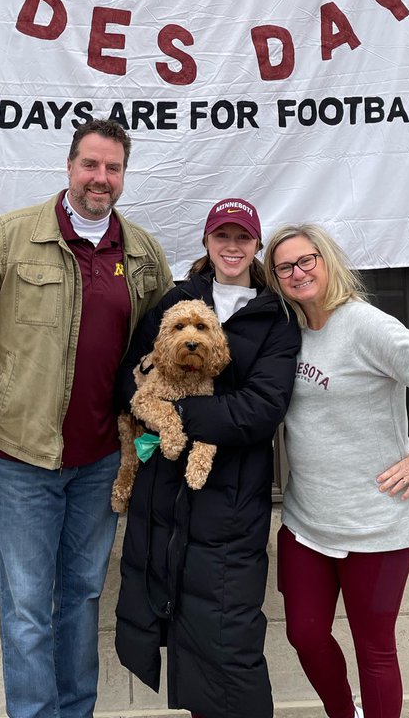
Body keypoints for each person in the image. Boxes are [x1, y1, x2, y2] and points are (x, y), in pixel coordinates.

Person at [0, 118, 173, 718]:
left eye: (112, 168)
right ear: (69, 168)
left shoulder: (140, 253)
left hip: (98, 463)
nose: (101, 178)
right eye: (90, 165)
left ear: (124, 175)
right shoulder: (13, 237)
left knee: (82, 597)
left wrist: (156, 428)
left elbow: (160, 351)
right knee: (26, 610)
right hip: (21, 461)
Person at [264, 223, 409, 718]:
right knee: (305, 636)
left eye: (306, 259)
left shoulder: (364, 325)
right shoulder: (287, 332)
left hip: (374, 525)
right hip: (307, 522)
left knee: (374, 649)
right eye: (285, 266)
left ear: (327, 260)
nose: (298, 272)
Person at [115, 198, 302, 718]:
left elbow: (261, 409)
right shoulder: (176, 300)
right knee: (181, 628)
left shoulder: (276, 318)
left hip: (232, 501)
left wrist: (181, 412)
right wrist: (153, 408)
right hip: (164, 498)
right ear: (206, 242)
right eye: (223, 236)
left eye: (243, 237)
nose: (233, 246)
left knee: (229, 635)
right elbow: (130, 376)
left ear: (256, 246)